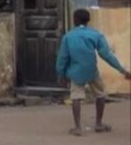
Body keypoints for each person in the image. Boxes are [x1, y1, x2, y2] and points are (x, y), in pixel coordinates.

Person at [56, 8, 131, 136]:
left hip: (75, 71)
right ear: (88, 21)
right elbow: (107, 55)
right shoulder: (96, 35)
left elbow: (62, 58)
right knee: (100, 94)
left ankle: (77, 127)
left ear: (74, 20)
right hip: (92, 70)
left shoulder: (68, 37)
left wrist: (61, 74)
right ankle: (98, 123)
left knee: (76, 97)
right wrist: (122, 70)